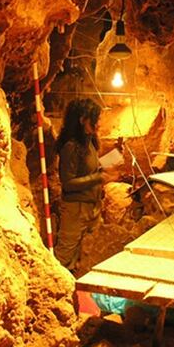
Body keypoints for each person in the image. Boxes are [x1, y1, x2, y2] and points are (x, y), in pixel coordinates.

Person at [54, 98, 116, 272]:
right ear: (82, 119)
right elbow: (68, 182)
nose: (99, 123)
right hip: (76, 210)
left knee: (87, 255)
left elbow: (90, 168)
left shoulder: (90, 143)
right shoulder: (71, 146)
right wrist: (98, 178)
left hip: (92, 208)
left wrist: (114, 157)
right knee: (65, 258)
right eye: (95, 118)